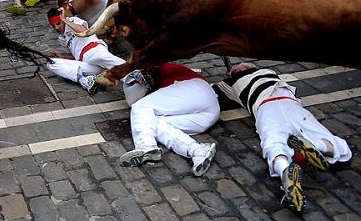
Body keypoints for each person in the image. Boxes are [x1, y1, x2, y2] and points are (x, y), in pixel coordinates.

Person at [216, 63, 352, 214]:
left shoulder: (231, 84)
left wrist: (227, 82)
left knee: (273, 143)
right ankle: (315, 147)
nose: (240, 66)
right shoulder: (269, 73)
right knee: (337, 145)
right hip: (291, 105)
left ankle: (285, 170)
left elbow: (211, 91)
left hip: (266, 108)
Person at [118, 63, 219, 177]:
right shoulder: (139, 75)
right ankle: (197, 150)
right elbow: (132, 100)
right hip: (208, 112)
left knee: (141, 107)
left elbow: (135, 102)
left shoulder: (156, 65)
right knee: (153, 123)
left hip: (195, 90)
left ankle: (145, 145)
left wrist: (128, 75)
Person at [46, 7, 128, 94]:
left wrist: (65, 20)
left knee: (101, 57)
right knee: (51, 63)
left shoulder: (73, 20)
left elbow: (84, 31)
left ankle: (134, 73)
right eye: (53, 26)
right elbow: (75, 54)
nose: (56, 28)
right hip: (87, 63)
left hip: (93, 50)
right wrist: (62, 56)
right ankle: (84, 80)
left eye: (58, 23)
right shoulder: (62, 39)